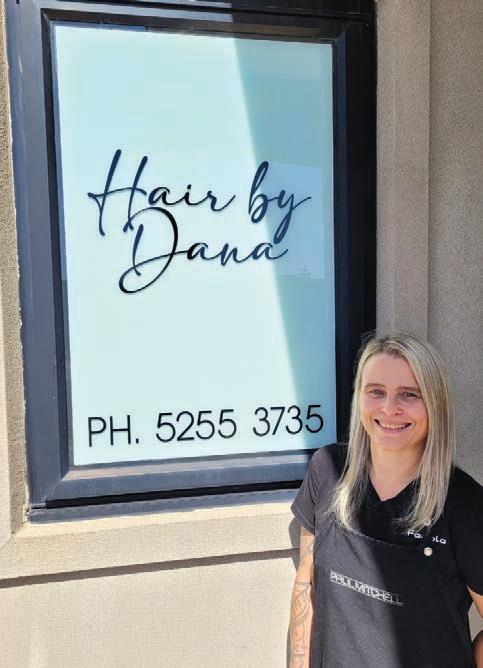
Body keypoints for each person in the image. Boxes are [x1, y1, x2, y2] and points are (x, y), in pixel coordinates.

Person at [289, 333, 483, 667]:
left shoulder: (465, 504)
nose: (390, 408)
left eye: (409, 394)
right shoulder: (327, 470)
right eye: (376, 391)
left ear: (435, 404)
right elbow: (305, 586)